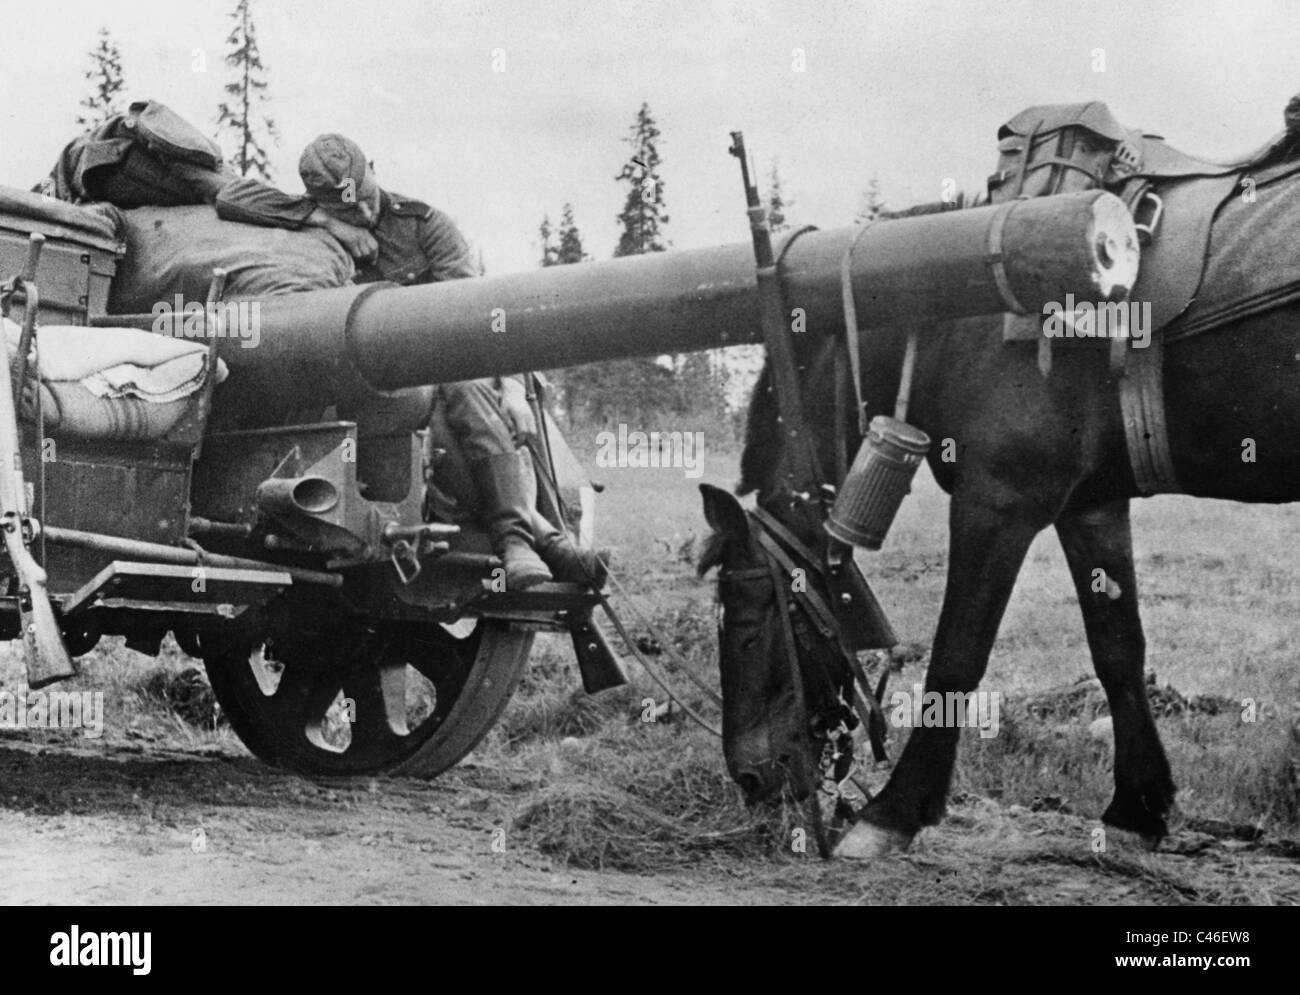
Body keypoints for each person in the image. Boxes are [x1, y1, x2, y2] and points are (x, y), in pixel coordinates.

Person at [259, 134, 607, 590]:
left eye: (364, 199)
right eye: (347, 209)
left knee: (461, 394)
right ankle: (539, 539)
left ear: (375, 169)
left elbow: (474, 318)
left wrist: (515, 389)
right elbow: (233, 194)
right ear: (319, 202)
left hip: (450, 370)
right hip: (373, 391)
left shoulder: (425, 226)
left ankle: (522, 541)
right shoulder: (316, 231)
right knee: (439, 424)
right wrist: (327, 222)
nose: (363, 214)